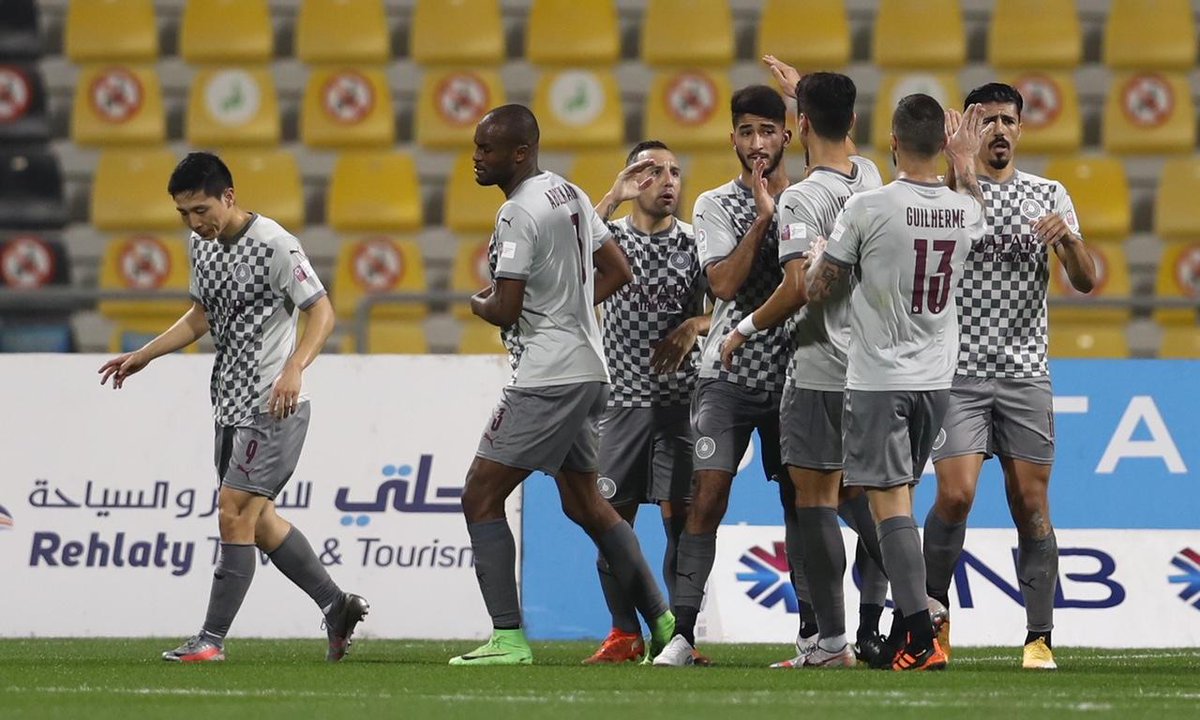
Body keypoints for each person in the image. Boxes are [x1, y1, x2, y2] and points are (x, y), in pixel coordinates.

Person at [98, 151, 368, 663]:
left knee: (233, 512)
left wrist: (295, 367)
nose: (194, 222)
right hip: (228, 405)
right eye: (184, 214)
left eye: (201, 210)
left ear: (229, 196)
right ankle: (337, 605)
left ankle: (210, 640)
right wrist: (145, 355)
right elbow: (199, 317)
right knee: (259, 523)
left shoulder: (276, 244)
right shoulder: (201, 246)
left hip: (273, 405)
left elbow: (322, 312)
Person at [451, 105, 675, 666]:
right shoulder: (568, 192)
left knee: (480, 496)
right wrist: (567, 308)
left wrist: (477, 303)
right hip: (589, 370)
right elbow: (618, 270)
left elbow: (505, 307)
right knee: (588, 505)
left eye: (486, 149)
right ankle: (664, 623)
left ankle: (507, 640)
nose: (476, 158)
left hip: (548, 377)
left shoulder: (517, 212)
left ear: (520, 152)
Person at [805, 96, 989, 671]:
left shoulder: (868, 206)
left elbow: (819, 289)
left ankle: (919, 634)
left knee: (888, 506)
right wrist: (965, 165)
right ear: (943, 144)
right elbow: (974, 205)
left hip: (881, 377)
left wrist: (817, 259)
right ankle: (909, 629)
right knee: (901, 497)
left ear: (892, 141)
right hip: (937, 379)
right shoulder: (965, 209)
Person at [923, 83, 1097, 671]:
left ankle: (1039, 638)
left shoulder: (1048, 195)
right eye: (988, 120)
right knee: (955, 496)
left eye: (1008, 120)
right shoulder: (945, 194)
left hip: (1025, 374)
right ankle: (934, 623)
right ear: (971, 129)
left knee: (1031, 504)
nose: (999, 130)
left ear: (1021, 129)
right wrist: (957, 174)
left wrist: (1066, 237)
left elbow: (1085, 280)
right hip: (959, 374)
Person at [721, 64, 887, 669]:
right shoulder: (872, 179)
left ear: (801, 126)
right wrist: (807, 99)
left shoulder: (800, 198)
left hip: (820, 363)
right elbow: (842, 140)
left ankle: (833, 642)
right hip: (874, 368)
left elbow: (795, 288)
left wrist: (741, 329)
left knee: (815, 500)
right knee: (867, 498)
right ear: (854, 120)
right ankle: (920, 604)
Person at [653, 85, 797, 667]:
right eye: (746, 132)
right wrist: (761, 220)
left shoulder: (812, 198)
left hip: (795, 376)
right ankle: (683, 634)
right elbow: (723, 284)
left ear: (788, 135)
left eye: (768, 131)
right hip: (727, 375)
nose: (757, 143)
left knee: (801, 502)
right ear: (732, 138)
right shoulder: (714, 205)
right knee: (707, 496)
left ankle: (816, 635)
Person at [582, 141, 711, 665]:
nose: (668, 181)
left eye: (675, 171)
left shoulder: (696, 244)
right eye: (654, 171)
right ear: (634, 179)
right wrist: (611, 197)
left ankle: (679, 637)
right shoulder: (609, 237)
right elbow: (564, 256)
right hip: (621, 405)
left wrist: (695, 323)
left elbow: (732, 308)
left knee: (681, 523)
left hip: (680, 405)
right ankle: (624, 632)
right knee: (612, 524)